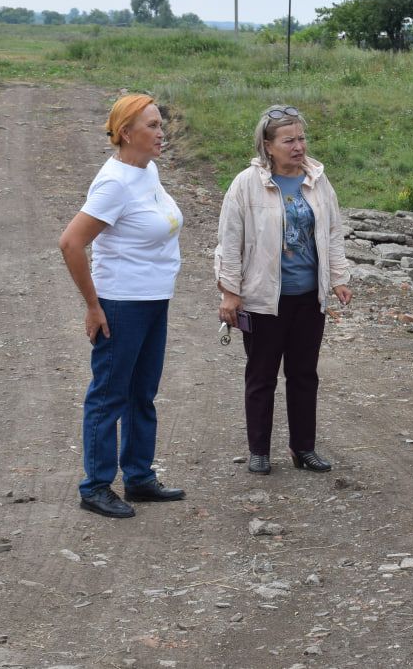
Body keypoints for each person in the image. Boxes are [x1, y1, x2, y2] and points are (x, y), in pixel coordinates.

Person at [59, 93, 186, 519]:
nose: (161, 131)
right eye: (151, 125)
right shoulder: (114, 182)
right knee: (109, 396)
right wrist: (94, 306)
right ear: (126, 133)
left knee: (142, 394)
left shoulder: (146, 171)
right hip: (121, 304)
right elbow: (71, 243)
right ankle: (95, 486)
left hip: (153, 301)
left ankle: (138, 477)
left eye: (160, 123)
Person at [215, 104, 352, 476]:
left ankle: (303, 449)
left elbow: (333, 232)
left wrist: (338, 278)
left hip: (309, 298)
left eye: (302, 138)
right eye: (289, 140)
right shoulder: (247, 184)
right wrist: (230, 291)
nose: (299, 146)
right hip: (262, 299)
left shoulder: (318, 180)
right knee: (261, 375)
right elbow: (229, 240)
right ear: (267, 145)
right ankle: (259, 450)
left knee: (304, 374)